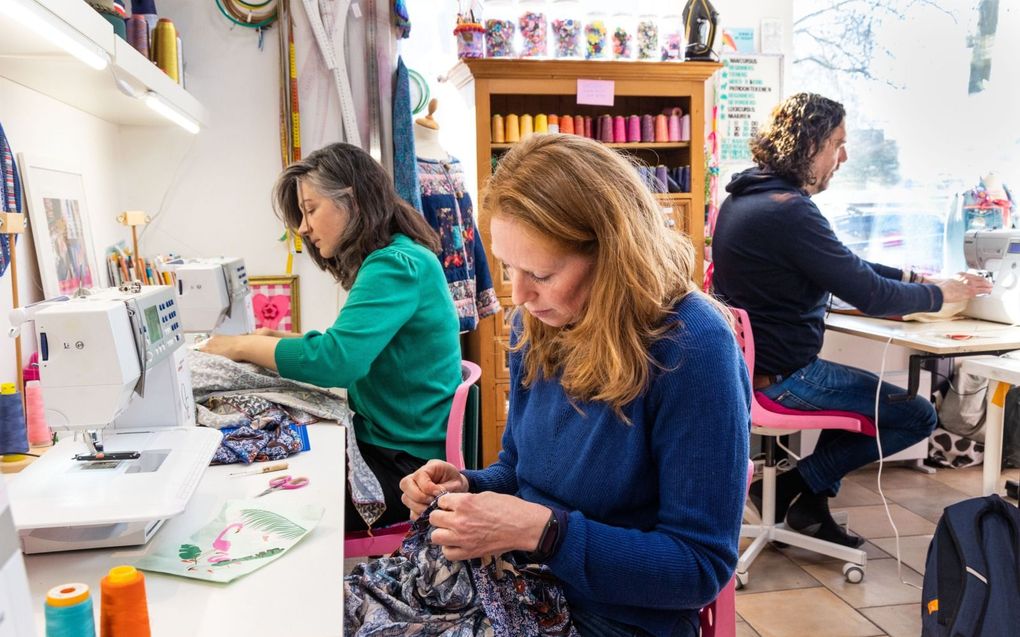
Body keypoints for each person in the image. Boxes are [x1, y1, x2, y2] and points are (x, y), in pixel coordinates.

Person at [399, 133, 750, 637]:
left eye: (540, 272)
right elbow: (521, 471)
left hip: (615, 618)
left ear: (613, 255)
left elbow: (698, 568)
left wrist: (542, 533)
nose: (518, 294)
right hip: (522, 579)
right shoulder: (537, 324)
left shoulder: (691, 346)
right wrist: (469, 488)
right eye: (507, 267)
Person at [711, 92, 992, 547]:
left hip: (755, 373)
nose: (844, 157)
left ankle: (809, 504)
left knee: (861, 399)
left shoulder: (748, 199)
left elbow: (844, 264)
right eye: (837, 143)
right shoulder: (789, 211)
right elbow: (869, 293)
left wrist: (915, 278)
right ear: (809, 143)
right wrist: (944, 293)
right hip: (788, 378)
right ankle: (793, 488)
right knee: (916, 415)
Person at [201, 142, 462, 531]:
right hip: (397, 447)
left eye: (310, 210)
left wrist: (240, 345)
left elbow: (337, 361)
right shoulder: (402, 256)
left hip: (407, 468)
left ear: (351, 200)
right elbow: (354, 345)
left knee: (264, 498)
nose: (303, 227)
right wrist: (276, 339)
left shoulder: (393, 265)